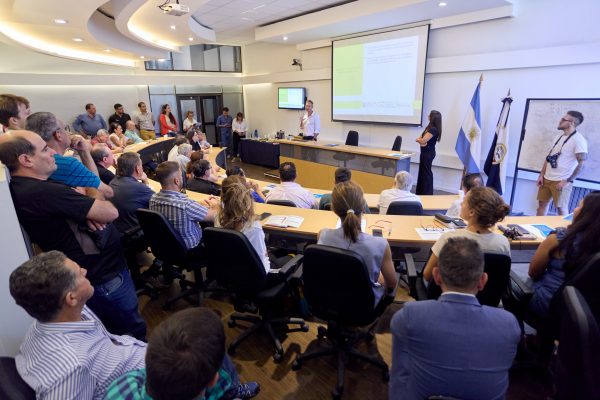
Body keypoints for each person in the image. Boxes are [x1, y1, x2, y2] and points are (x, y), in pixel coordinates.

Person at [0, 132, 146, 340]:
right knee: (130, 332)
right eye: (45, 149)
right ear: (26, 160)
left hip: (97, 274)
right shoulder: (43, 192)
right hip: (105, 278)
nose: (52, 152)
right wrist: (91, 193)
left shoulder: (26, 187)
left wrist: (88, 200)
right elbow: (110, 212)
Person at [390, 237, 520, 400]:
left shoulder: (408, 317)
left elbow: (399, 372)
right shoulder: (509, 324)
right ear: (482, 281)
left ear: (436, 276)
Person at [10, 251, 146, 400]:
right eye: (80, 273)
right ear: (71, 298)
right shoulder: (72, 368)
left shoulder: (55, 316)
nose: (85, 271)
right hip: (143, 385)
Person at [105, 308, 260, 400]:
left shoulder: (120, 386)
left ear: (146, 357)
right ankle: (232, 393)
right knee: (218, 358)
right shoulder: (219, 380)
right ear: (214, 380)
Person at [318, 181, 397, 307]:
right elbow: (391, 284)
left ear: (333, 209)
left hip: (329, 301)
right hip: (364, 306)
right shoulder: (380, 244)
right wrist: (379, 276)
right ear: (363, 207)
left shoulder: (323, 235)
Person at [422, 186, 510, 283]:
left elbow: (427, 276)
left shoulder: (449, 239)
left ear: (471, 212)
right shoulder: (503, 243)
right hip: (489, 293)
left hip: (449, 291)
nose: (460, 203)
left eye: (464, 201)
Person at [26, 111, 114, 199]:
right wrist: (85, 152)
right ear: (58, 135)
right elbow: (107, 192)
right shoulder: (68, 164)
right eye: (66, 129)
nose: (69, 133)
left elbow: (94, 181)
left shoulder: (33, 163)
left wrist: (83, 151)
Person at [216, 175, 287, 282]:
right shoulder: (253, 226)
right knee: (293, 257)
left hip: (230, 272)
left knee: (276, 253)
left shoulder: (218, 219)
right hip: (259, 278)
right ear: (248, 198)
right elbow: (261, 261)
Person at [149, 161, 218, 253]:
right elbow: (215, 216)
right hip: (192, 249)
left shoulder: (153, 199)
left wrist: (198, 203)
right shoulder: (186, 205)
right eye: (181, 176)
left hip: (166, 247)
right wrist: (215, 205)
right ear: (177, 181)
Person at [536, 110, 588, 216]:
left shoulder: (579, 140)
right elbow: (549, 158)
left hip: (562, 180)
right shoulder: (558, 137)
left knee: (561, 209)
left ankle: (565, 228)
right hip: (547, 178)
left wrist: (568, 181)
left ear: (572, 123)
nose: (560, 120)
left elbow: (582, 164)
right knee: (542, 205)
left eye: (564, 119)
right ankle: (537, 226)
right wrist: (541, 175)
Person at [109, 152, 154, 233]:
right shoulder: (139, 188)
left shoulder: (112, 182)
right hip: (135, 233)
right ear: (138, 169)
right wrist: (146, 181)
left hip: (118, 230)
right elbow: (157, 202)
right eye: (141, 166)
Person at [415, 110, 442, 195]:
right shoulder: (429, 128)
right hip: (424, 152)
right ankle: (420, 191)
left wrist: (421, 141)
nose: (428, 116)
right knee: (422, 172)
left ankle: (427, 193)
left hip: (428, 153)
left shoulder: (433, 129)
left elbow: (422, 140)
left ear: (433, 118)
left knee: (426, 173)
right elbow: (420, 139)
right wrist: (420, 140)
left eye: (430, 115)